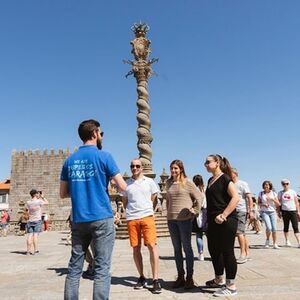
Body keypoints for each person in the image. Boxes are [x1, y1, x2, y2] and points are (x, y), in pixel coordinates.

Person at [60, 119, 127, 300]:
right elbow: (122, 186)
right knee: (102, 268)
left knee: (74, 268)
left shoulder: (69, 161)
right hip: (101, 217)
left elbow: (63, 193)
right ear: (95, 133)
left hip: (79, 218)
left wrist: (81, 188)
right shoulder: (104, 156)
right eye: (101, 133)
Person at [121, 158, 162, 294]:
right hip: (132, 218)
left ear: (142, 167)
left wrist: (146, 209)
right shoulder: (126, 184)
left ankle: (155, 279)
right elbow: (125, 201)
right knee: (136, 248)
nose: (135, 168)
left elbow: (154, 198)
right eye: (132, 166)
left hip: (147, 217)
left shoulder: (150, 182)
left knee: (152, 246)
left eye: (137, 166)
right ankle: (142, 276)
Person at [204, 154, 239, 297]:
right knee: (214, 250)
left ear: (217, 163)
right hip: (213, 221)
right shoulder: (210, 180)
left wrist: (224, 215)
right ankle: (219, 279)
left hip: (226, 220)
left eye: (208, 162)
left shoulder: (225, 178)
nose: (205, 164)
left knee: (227, 251)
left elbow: (236, 197)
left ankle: (231, 286)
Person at [166, 159, 203, 290]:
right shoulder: (168, 182)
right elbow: (168, 200)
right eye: (172, 168)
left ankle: (189, 278)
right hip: (171, 220)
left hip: (184, 220)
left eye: (176, 168)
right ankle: (180, 276)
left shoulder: (188, 183)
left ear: (181, 169)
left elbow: (199, 197)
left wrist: (195, 211)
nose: (173, 170)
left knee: (187, 248)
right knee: (176, 249)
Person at [231, 168, 254, 264]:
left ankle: (242, 254)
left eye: (230, 173)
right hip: (233, 210)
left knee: (239, 232)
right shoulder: (230, 184)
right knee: (242, 233)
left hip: (241, 210)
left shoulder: (242, 183)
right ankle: (247, 253)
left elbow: (249, 197)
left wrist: (251, 211)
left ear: (235, 174)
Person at [258, 180, 281, 249]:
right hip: (265, 212)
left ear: (270, 186)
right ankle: (267, 241)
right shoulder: (261, 193)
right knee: (269, 227)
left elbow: (279, 204)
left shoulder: (273, 193)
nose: (266, 186)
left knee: (274, 229)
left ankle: (274, 243)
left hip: (273, 212)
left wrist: (273, 199)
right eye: (265, 185)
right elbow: (258, 202)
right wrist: (263, 204)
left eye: (267, 185)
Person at [277, 179, 300, 247]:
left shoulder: (293, 192)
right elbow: (278, 204)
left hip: (293, 211)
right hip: (285, 211)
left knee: (295, 227)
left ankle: (299, 242)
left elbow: (296, 202)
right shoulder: (280, 193)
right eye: (284, 184)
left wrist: (298, 211)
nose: (285, 185)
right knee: (286, 226)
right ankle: (287, 241)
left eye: (287, 184)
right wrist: (278, 212)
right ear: (282, 185)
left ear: (289, 184)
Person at [25, 189, 48, 254]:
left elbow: (27, 210)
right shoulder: (39, 201)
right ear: (35, 194)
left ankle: (28, 250)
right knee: (35, 235)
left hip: (30, 220)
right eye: (37, 193)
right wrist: (43, 197)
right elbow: (47, 202)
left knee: (29, 235)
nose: (38, 195)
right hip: (37, 220)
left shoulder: (28, 202)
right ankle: (35, 250)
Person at [192, 174, 207, 261]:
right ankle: (212, 252)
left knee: (198, 235)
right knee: (209, 235)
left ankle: (200, 253)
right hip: (205, 212)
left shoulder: (193, 190)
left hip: (196, 212)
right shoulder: (205, 189)